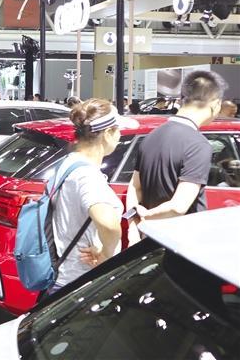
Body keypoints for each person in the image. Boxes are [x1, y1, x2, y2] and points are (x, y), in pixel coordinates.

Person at [127, 71, 228, 243]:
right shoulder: (198, 145)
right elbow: (178, 206)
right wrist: (147, 216)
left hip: (150, 240)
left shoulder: (151, 136)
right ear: (215, 104)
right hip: (182, 242)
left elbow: (135, 187)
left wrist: (134, 224)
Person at [48, 98, 123, 294]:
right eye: (118, 130)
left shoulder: (69, 162)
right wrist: (106, 255)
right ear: (108, 133)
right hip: (81, 282)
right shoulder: (87, 175)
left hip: (63, 276)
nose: (120, 136)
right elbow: (109, 225)